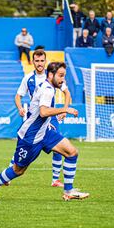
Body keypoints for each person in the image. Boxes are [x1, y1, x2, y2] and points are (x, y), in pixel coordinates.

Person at [0, 62, 89, 202]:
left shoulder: (49, 85)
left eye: (64, 76)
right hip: (30, 137)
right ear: (51, 75)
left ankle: (68, 191)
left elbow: (45, 110)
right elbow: (44, 112)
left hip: (44, 132)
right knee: (18, 170)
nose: (63, 79)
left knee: (72, 152)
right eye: (61, 76)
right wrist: (65, 109)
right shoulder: (48, 89)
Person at [13, 49, 72, 188]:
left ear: (45, 61)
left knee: (58, 143)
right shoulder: (28, 78)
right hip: (35, 117)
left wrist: (64, 109)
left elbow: (67, 92)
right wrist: (20, 108)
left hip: (51, 115)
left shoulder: (53, 76)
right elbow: (18, 96)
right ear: (33, 62)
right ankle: (11, 171)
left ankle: (55, 179)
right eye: (37, 61)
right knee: (24, 146)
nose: (39, 63)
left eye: (42, 61)